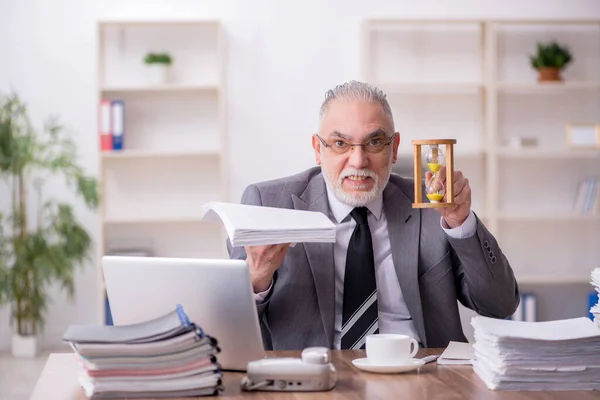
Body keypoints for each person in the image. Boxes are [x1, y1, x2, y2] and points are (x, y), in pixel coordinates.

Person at [228, 80, 519, 351]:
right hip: (316, 376)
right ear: (318, 149)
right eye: (341, 144)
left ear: (394, 149)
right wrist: (257, 280)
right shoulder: (267, 205)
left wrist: (461, 224)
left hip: (422, 373)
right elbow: (230, 330)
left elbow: (500, 305)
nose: (358, 160)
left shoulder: (434, 205)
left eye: (374, 143)